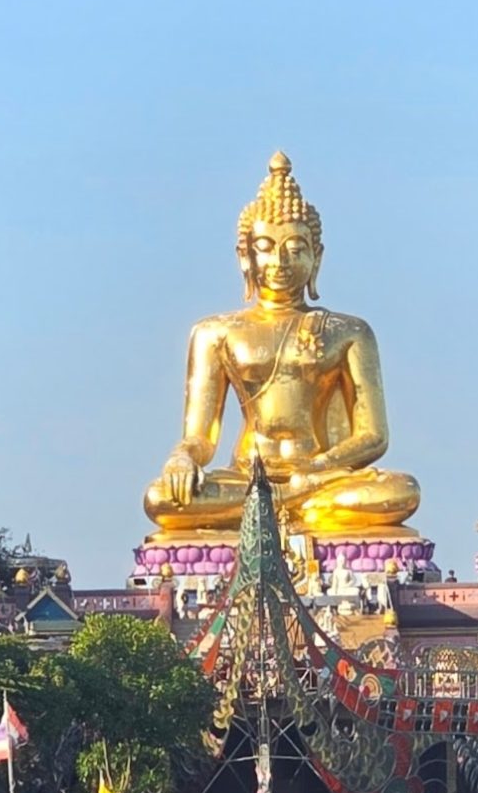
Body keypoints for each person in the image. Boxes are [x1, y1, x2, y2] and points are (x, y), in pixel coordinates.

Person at [143, 152, 420, 534]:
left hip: (323, 477)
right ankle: (279, 506)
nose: (280, 261)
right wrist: (181, 459)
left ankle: (272, 509)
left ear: (316, 258)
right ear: (245, 258)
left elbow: (373, 436)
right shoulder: (216, 332)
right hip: (246, 477)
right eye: (265, 247)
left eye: (294, 249)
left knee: (401, 491)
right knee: (162, 499)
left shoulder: (349, 331)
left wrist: (315, 471)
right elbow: (200, 437)